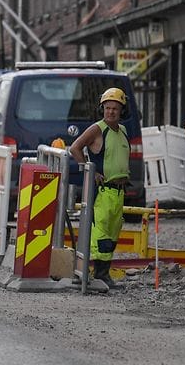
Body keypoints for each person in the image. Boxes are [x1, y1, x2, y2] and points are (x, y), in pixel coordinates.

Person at [69, 87, 131, 288]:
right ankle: (98, 275)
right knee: (100, 234)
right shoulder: (97, 129)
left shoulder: (122, 131)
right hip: (103, 191)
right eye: (107, 108)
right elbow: (75, 147)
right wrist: (90, 170)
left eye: (115, 108)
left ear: (121, 110)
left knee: (112, 233)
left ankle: (102, 274)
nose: (111, 112)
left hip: (118, 191)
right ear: (102, 109)